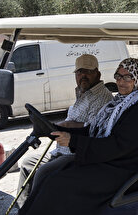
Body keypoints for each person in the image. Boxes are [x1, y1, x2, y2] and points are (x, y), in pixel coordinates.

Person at [0, 57, 138, 215]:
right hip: (111, 161)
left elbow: (117, 146)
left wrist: (73, 142)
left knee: (59, 183)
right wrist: (59, 131)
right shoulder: (119, 104)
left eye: (128, 77)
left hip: (126, 169)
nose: (121, 81)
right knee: (49, 175)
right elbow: (94, 130)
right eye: (118, 76)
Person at [15, 53, 112, 197]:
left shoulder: (102, 97)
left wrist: (63, 125)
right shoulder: (84, 93)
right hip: (61, 151)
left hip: (76, 154)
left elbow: (91, 129)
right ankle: (21, 211)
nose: (83, 75)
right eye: (80, 72)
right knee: (28, 163)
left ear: (97, 74)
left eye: (88, 71)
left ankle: (34, 212)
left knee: (42, 172)